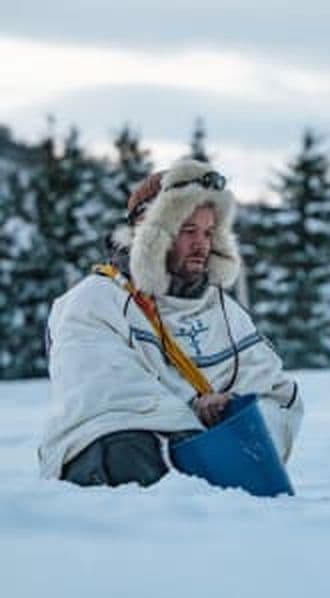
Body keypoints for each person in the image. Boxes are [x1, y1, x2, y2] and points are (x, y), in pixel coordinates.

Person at [38, 158, 304, 488]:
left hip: (214, 470)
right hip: (110, 462)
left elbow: (278, 395)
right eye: (187, 230)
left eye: (209, 232)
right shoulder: (95, 300)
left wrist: (233, 413)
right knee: (130, 449)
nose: (201, 244)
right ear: (151, 235)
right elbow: (108, 396)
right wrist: (195, 412)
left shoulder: (224, 311)